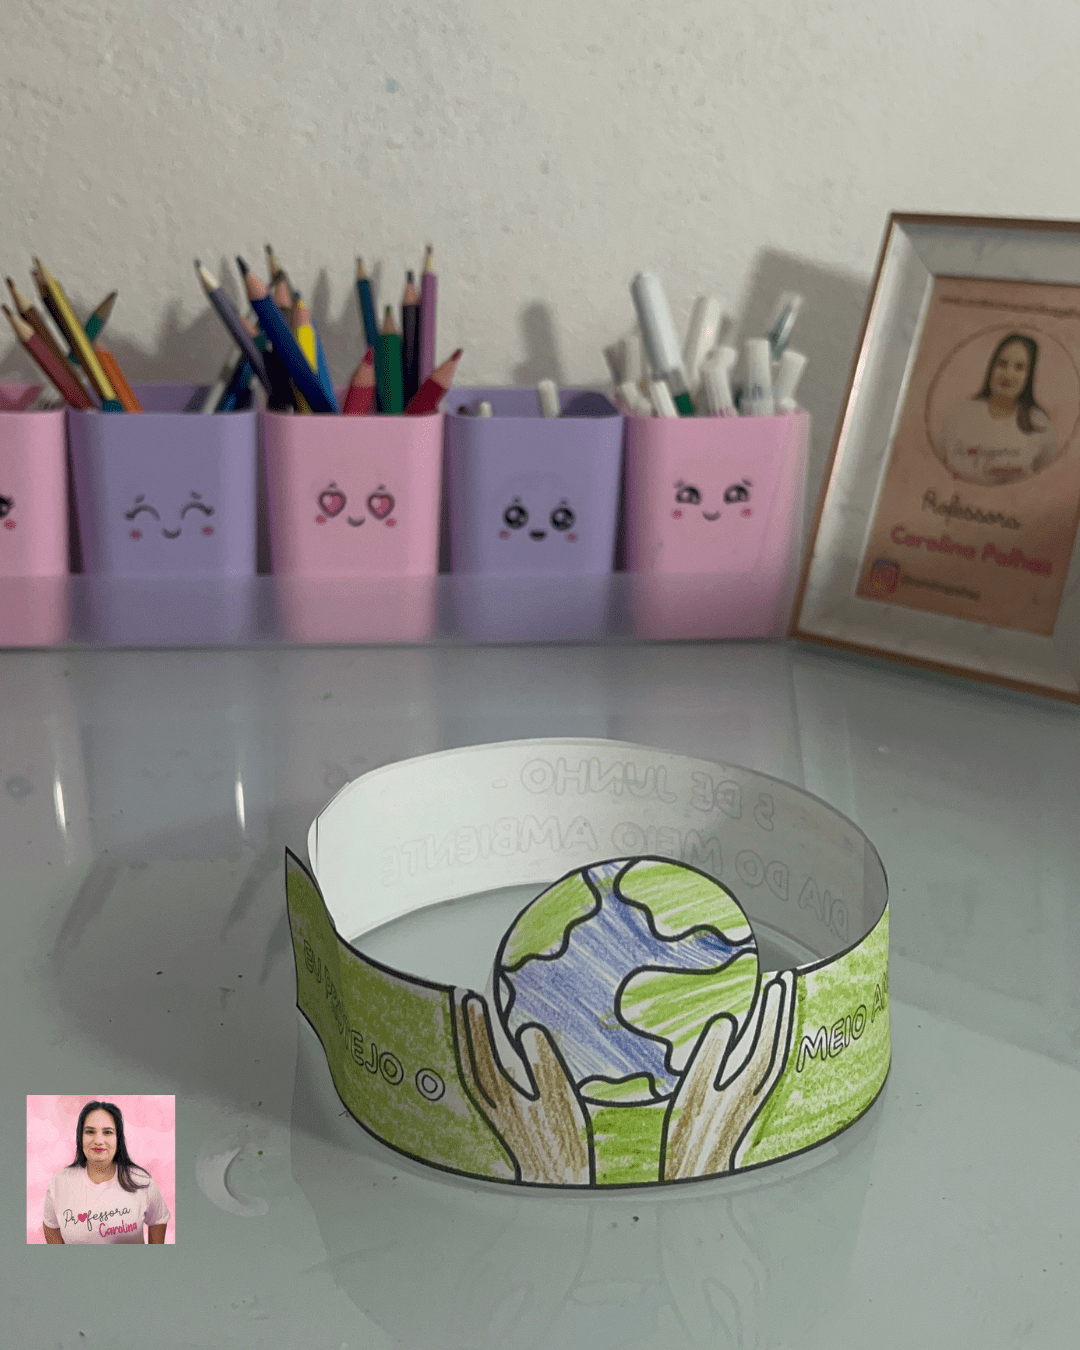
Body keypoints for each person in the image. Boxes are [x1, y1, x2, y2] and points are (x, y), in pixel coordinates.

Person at [41, 1101, 170, 1244]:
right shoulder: (60, 1182)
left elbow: (158, 1220)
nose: (98, 1140)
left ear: (118, 1138)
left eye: (107, 1132)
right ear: (80, 1136)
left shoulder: (141, 1181)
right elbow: (50, 1226)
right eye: (90, 1132)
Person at [937, 333, 1059, 485]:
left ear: (1029, 376)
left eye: (1019, 367)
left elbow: (1049, 481)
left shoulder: (1040, 425)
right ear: (992, 368)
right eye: (1002, 364)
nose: (1008, 374)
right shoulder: (962, 413)